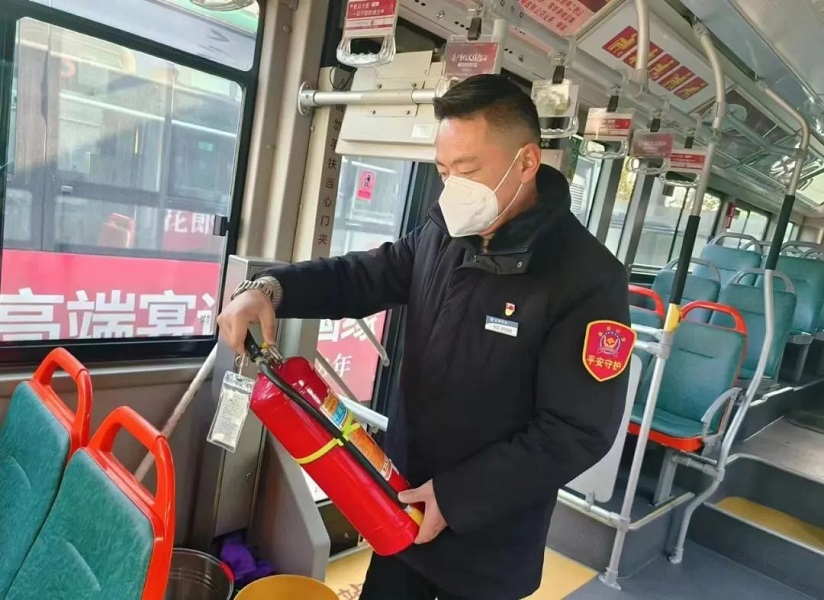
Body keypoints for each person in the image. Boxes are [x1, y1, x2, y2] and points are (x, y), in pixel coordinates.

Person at [218, 74, 632, 600]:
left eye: (468, 170)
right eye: (442, 170)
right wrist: (271, 289)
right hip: (400, 511)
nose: (452, 187)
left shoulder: (587, 279)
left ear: (527, 162)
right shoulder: (442, 234)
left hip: (486, 545)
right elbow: (361, 276)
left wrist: (457, 498)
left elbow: (575, 430)